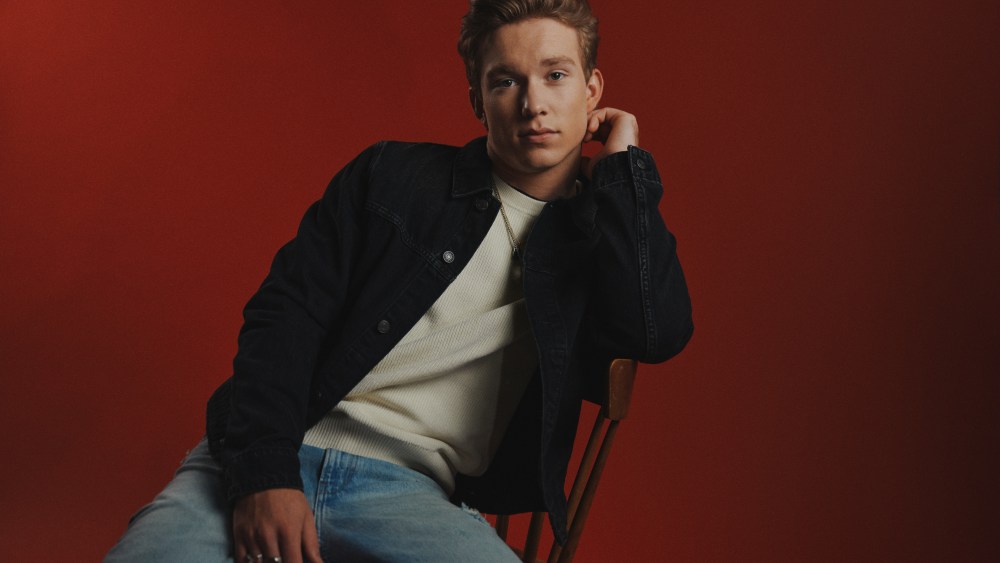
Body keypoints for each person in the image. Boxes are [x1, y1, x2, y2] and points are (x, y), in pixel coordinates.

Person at [105, 0, 693, 561]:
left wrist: (623, 168)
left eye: (556, 75)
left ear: (592, 90)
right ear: (478, 100)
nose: (533, 104)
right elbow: (284, 316)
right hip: (276, 446)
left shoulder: (598, 239)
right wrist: (265, 477)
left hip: (408, 496)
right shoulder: (392, 176)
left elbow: (656, 333)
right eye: (505, 81)